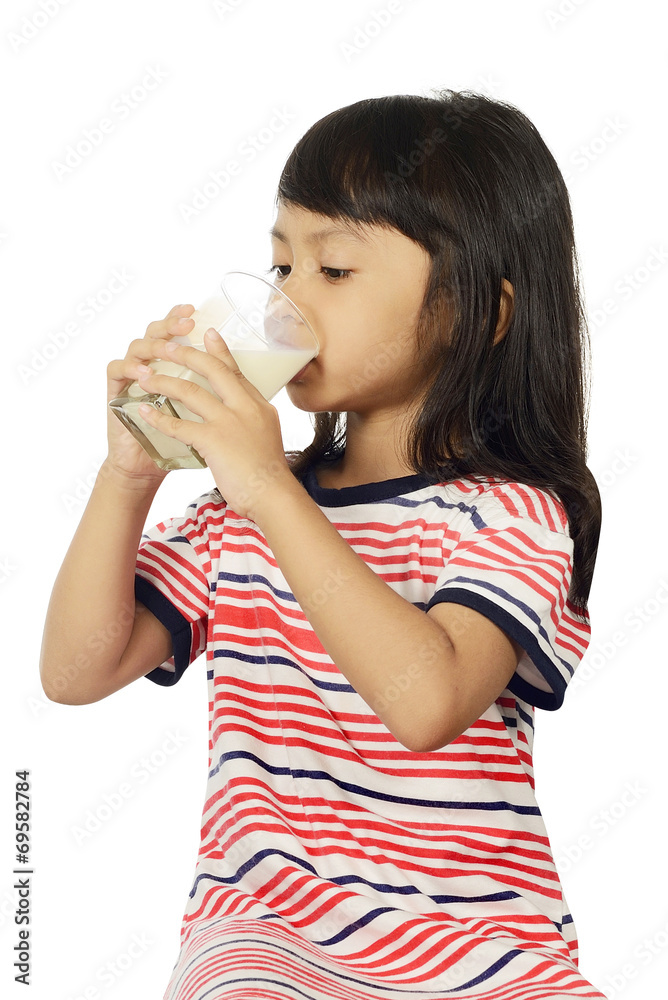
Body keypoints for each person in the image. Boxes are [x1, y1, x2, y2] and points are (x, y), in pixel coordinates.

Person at [40, 89, 606, 999]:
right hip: (268, 940)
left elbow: (425, 703)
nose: (287, 301)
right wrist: (131, 472)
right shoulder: (240, 514)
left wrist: (263, 483)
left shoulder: (514, 517)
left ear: (482, 313)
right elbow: (74, 671)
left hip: (486, 949)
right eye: (279, 263)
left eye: (333, 270)